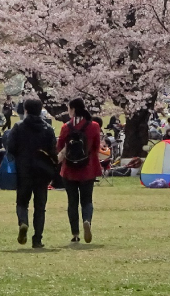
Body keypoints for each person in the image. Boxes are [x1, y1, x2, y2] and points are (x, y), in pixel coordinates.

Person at [7, 98, 57, 248]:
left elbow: (11, 148)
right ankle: (37, 239)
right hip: (42, 171)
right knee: (40, 206)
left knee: (22, 202)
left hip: (24, 170)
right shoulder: (48, 129)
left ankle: (23, 222)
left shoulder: (18, 127)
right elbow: (53, 151)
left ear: (26, 110)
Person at [57, 97, 102, 244]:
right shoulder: (94, 126)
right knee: (87, 200)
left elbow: (59, 147)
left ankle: (75, 234)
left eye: (69, 108)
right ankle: (87, 220)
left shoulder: (65, 127)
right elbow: (96, 147)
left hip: (69, 169)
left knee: (72, 202)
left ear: (74, 109)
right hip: (88, 168)